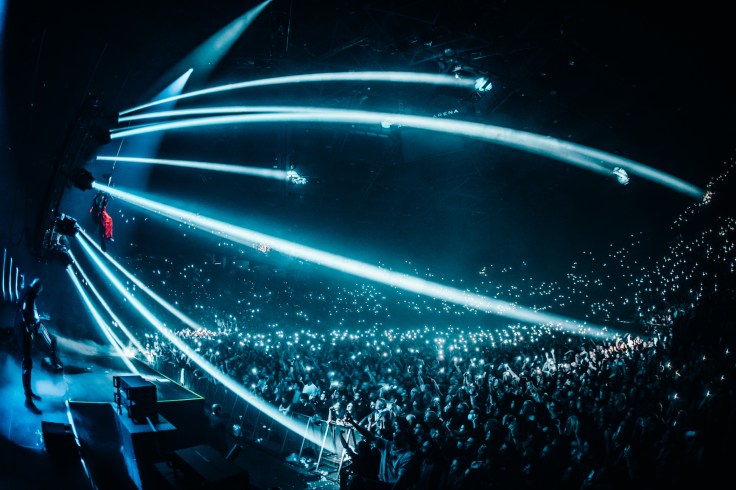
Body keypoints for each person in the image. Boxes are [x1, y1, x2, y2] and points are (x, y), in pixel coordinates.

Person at [14, 277, 43, 414]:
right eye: (40, 290)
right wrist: (30, 326)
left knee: (28, 362)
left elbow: (22, 307)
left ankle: (29, 393)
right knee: (27, 362)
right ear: (38, 287)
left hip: (21, 330)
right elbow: (25, 309)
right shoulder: (31, 292)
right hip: (23, 332)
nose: (40, 293)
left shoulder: (26, 289)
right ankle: (28, 400)